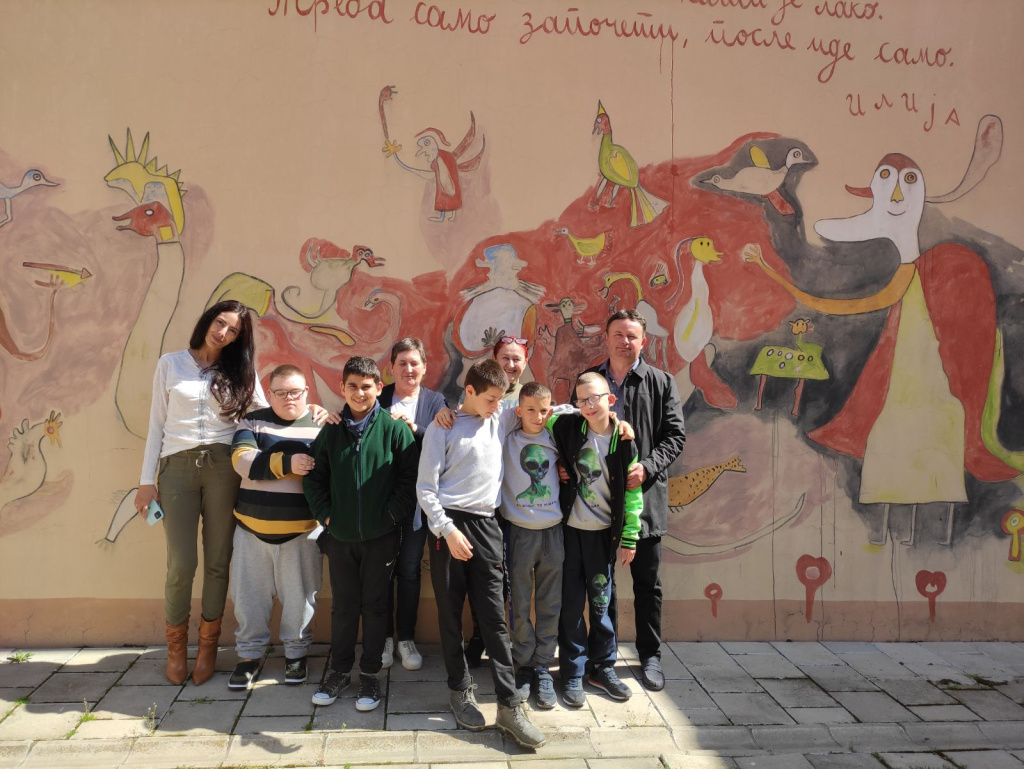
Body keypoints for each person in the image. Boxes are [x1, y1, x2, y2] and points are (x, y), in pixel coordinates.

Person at [416, 359, 546, 750]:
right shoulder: (442, 428)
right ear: (469, 391)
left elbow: (544, 409)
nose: (496, 407)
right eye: (490, 399)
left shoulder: (500, 418)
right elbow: (426, 489)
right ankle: (460, 690)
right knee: (451, 614)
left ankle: (509, 705)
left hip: (488, 525)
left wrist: (611, 419)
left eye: (500, 400)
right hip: (449, 527)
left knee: (493, 616)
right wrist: (447, 529)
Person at [135, 300, 266, 686]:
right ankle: (177, 647)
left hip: (224, 468)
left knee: (218, 561)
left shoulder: (240, 370)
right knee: (182, 562)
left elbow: (264, 411)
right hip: (176, 469)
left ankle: (208, 647)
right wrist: (146, 481)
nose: (223, 332)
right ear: (208, 320)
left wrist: (307, 410)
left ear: (238, 339)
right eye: (220, 323)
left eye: (233, 330)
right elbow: (156, 423)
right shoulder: (170, 363)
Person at [304, 357, 418, 713]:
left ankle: (370, 674)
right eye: (352, 386)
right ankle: (339, 671)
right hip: (340, 538)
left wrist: (389, 516)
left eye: (367, 386)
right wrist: (326, 515)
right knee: (344, 607)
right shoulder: (332, 430)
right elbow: (313, 477)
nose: (359, 393)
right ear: (342, 388)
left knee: (376, 606)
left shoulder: (394, 429)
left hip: (381, 536)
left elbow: (409, 479)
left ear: (378, 388)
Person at [586, 309, 686, 692]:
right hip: (597, 498)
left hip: (644, 498)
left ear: (643, 341)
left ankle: (650, 656)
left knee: (647, 582)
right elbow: (573, 429)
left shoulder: (660, 382)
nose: (624, 342)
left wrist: (647, 466)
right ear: (607, 337)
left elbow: (675, 436)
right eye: (618, 334)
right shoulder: (590, 381)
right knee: (602, 582)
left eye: (632, 336)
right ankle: (604, 658)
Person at [227, 364, 323, 690]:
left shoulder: (321, 426)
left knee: (300, 599)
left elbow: (326, 473)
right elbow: (242, 462)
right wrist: (288, 464)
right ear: (269, 395)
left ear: (306, 392)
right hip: (251, 532)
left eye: (294, 392)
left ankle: (296, 655)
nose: (288, 398)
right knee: (248, 599)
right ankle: (248, 657)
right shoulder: (252, 422)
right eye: (280, 393)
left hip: (302, 533)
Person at [549, 372, 642, 707]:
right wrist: (558, 463)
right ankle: (572, 672)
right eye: (581, 400)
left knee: (602, 604)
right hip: (570, 533)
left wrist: (630, 537)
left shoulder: (624, 441)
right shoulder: (568, 426)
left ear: (610, 400)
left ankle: (602, 667)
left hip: (603, 536)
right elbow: (541, 415)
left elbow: (632, 494)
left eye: (594, 398)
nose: (588, 405)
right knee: (572, 605)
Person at [378, 338, 447, 671]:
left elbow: (443, 442)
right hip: (381, 500)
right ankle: (382, 638)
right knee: (381, 570)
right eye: (402, 363)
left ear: (424, 367)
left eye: (414, 363)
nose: (408, 369)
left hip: (418, 502)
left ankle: (405, 638)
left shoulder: (436, 401)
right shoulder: (378, 398)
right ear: (391, 368)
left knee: (408, 569)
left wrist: (414, 428)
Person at [493, 335, 529, 405]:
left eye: (516, 359)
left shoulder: (531, 398)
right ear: (495, 360)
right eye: (505, 358)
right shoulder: (478, 394)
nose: (511, 365)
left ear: (525, 363)